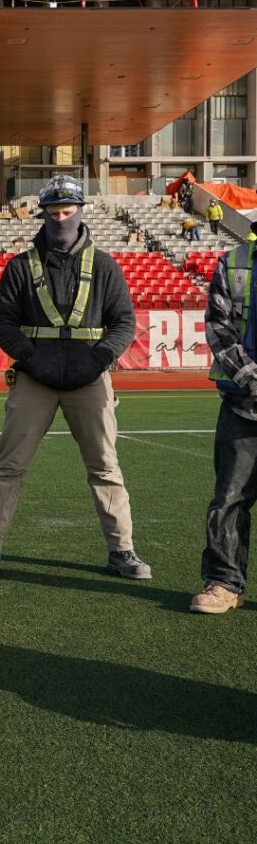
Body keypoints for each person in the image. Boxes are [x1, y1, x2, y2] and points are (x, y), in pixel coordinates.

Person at [0, 175, 152, 581]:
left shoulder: (105, 266)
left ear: (80, 212)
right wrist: (29, 357)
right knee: (9, 466)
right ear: (43, 215)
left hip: (90, 378)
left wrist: (102, 358)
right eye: (53, 214)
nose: (60, 220)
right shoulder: (20, 266)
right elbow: (3, 322)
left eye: (67, 213)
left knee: (105, 467)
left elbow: (124, 321)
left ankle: (122, 550)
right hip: (34, 378)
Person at [191, 227, 257, 613]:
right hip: (243, 404)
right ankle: (224, 583)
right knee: (229, 500)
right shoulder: (235, 263)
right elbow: (219, 326)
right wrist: (252, 378)